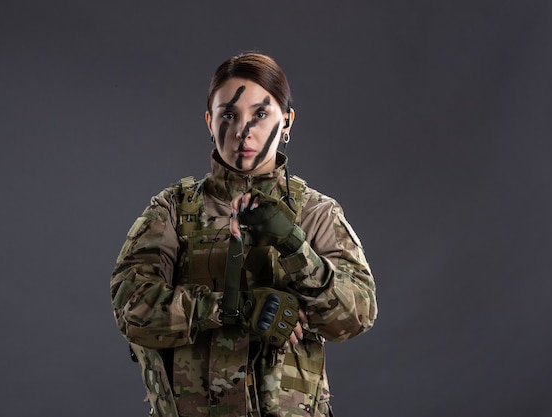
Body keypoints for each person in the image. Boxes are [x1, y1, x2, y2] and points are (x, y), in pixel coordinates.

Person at [110, 52, 377, 417]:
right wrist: (228, 308)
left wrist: (293, 245)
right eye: (229, 115)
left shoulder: (315, 213)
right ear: (209, 121)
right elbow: (130, 309)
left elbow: (356, 315)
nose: (243, 131)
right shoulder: (172, 209)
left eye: (260, 114)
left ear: (287, 122)